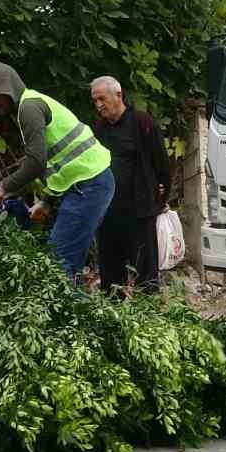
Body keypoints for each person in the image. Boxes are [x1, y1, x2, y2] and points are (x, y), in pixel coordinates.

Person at [0, 62, 114, 282]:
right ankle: (75, 309)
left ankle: (73, 312)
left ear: (10, 89)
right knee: (64, 263)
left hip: (90, 185)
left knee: (59, 264)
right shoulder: (30, 105)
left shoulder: (29, 108)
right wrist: (46, 202)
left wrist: (0, 188)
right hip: (86, 184)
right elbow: (58, 166)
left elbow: (36, 163)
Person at [89, 76, 172, 293]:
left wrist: (162, 195)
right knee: (110, 273)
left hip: (140, 210)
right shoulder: (99, 129)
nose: (98, 105)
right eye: (95, 100)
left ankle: (149, 317)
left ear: (118, 95)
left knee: (145, 273)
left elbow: (161, 163)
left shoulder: (142, 122)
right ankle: (114, 317)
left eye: (102, 99)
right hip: (108, 212)